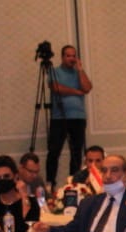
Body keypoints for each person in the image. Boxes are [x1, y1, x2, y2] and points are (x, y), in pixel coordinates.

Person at [45, 45, 92, 188]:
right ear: (62, 57)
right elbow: (56, 88)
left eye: (73, 56)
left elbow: (87, 88)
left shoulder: (78, 73)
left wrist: (80, 69)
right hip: (59, 118)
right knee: (54, 151)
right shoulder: (54, 71)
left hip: (78, 118)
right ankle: (51, 182)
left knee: (76, 152)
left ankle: (74, 182)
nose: (71, 58)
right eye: (68, 55)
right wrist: (76, 92)